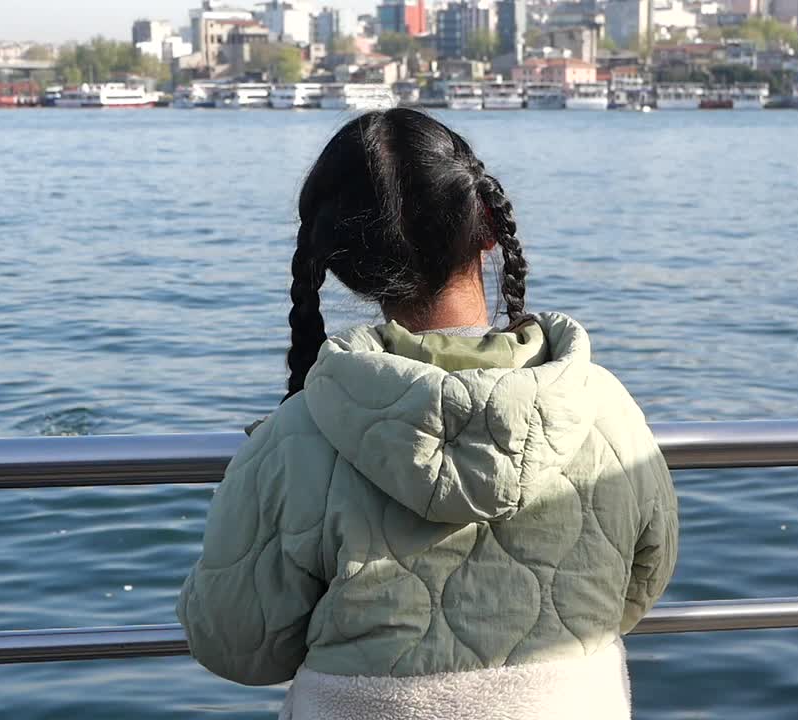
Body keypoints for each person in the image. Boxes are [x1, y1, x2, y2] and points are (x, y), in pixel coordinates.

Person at [177, 109, 678, 720]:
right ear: (488, 229)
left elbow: (237, 647)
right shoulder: (604, 408)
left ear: (342, 263)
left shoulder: (296, 438)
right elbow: (642, 582)